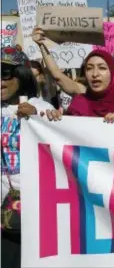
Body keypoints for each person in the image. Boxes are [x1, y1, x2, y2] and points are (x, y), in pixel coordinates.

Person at [1, 47, 55, 268]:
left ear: (22, 75)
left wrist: (38, 121)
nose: (0, 82)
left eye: (5, 74)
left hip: (38, 211)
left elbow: (59, 153)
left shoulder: (43, 108)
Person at [46, 49, 114, 122]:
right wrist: (57, 119)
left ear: (113, 73)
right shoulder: (78, 103)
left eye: (102, 68)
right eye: (89, 68)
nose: (95, 74)